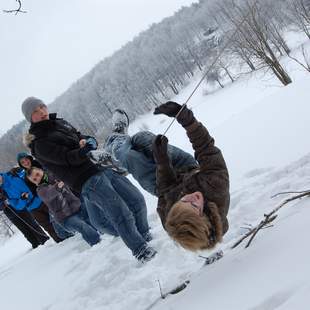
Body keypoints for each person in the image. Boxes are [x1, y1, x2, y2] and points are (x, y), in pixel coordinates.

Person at [22, 97, 156, 263]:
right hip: (86, 179)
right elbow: (67, 158)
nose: (42, 111)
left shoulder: (59, 122)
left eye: (42, 107)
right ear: (30, 117)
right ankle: (141, 251)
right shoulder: (39, 143)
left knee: (136, 200)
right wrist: (84, 150)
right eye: (35, 111)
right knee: (121, 213)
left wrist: (89, 140)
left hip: (100, 165)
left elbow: (79, 136)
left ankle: (145, 236)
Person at [152, 102, 230, 251]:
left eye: (183, 201)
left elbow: (164, 191)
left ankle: (117, 145)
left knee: (132, 157)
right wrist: (186, 119)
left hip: (168, 180)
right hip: (192, 171)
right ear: (205, 215)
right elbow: (205, 148)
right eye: (194, 205)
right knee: (143, 140)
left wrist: (162, 162)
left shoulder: (170, 219)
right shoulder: (216, 186)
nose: (191, 196)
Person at [104, 109, 198, 196]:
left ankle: (116, 148)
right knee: (140, 137)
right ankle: (118, 146)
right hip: (190, 169)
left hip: (170, 190)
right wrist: (189, 121)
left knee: (130, 157)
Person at [27, 167, 100, 246]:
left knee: (92, 221)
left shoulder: (54, 176)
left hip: (77, 207)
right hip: (65, 218)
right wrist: (57, 187)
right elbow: (49, 194)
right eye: (34, 179)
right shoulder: (41, 190)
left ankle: (103, 237)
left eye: (37, 174)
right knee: (82, 226)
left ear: (41, 171)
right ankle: (97, 243)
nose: (38, 178)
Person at [0, 173, 49, 248]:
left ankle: (43, 239)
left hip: (20, 205)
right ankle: (34, 243)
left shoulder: (10, 177)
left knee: (31, 223)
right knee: (22, 228)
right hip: (8, 210)